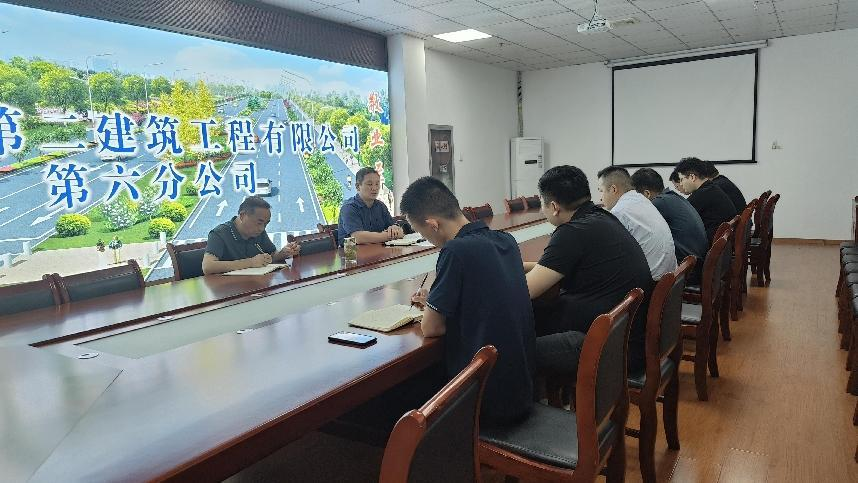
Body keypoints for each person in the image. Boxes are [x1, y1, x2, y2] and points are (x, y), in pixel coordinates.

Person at [403, 176, 535, 424]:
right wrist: (435, 299)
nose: (427, 241)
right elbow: (482, 293)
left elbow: (431, 327)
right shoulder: (505, 240)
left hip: (484, 401)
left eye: (422, 233)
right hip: (520, 388)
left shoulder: (455, 251)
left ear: (433, 224)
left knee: (402, 393)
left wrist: (432, 308)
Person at [523, 165, 652, 378]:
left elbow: (524, 292)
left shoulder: (571, 233)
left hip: (604, 348)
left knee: (511, 348)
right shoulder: (601, 217)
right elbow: (552, 268)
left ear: (554, 206)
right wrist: (518, 265)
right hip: (626, 338)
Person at [597, 166, 676, 281]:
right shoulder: (641, 199)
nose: (600, 198)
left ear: (613, 189)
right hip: (666, 278)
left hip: (649, 282)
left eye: (601, 191)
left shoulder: (620, 211)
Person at [631, 168, 708, 285]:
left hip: (686, 272)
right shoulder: (673, 198)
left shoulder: (658, 204)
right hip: (695, 265)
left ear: (647, 194)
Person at [202, 196, 299, 275]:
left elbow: (272, 256)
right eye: (259, 223)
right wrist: (251, 262)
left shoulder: (259, 232)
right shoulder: (219, 233)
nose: (262, 228)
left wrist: (284, 253)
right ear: (242, 215)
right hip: (228, 288)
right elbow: (208, 267)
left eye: (266, 224)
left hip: (257, 284)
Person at [674, 157, 738, 243]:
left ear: (692, 177)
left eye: (682, 179)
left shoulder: (701, 195)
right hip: (723, 244)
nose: (681, 184)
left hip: (709, 246)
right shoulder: (712, 188)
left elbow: (678, 219)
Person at [338, 167, 403, 245]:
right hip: (352, 251)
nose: (374, 188)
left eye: (377, 184)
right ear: (358, 186)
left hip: (378, 249)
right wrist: (391, 236)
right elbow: (358, 238)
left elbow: (396, 229)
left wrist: (395, 228)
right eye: (370, 184)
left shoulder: (380, 206)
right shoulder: (349, 207)